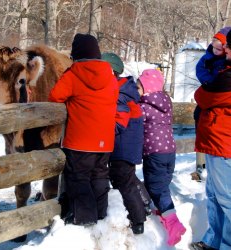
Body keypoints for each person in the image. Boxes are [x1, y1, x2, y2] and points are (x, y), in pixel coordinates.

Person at [191, 25, 231, 250]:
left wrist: (206, 89)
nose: (224, 49)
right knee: (216, 194)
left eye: (229, 46)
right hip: (219, 138)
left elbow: (202, 97)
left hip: (225, 140)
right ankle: (214, 241)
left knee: (227, 197)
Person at [48, 33, 118, 225]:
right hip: (105, 141)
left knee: (79, 178)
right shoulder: (110, 75)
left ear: (76, 53)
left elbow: (55, 96)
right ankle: (101, 216)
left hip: (80, 140)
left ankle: (86, 220)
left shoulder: (74, 73)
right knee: (99, 176)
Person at [101, 52, 151, 235]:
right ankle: (144, 205)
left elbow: (120, 122)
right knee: (127, 179)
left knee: (124, 182)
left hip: (123, 147)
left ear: (111, 72)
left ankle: (138, 220)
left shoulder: (120, 93)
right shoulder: (125, 89)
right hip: (127, 145)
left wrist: (103, 132)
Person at [138, 69, 186, 246]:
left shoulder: (143, 107)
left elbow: (133, 118)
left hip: (154, 153)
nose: (137, 90)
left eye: (139, 86)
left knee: (157, 187)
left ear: (147, 88)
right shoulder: (166, 103)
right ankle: (161, 210)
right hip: (169, 151)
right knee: (163, 184)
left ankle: (173, 223)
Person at [192, 27, 231, 181]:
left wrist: (216, 83)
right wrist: (207, 81)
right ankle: (201, 164)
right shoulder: (208, 56)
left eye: (219, 48)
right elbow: (199, 69)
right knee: (200, 119)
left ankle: (211, 164)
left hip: (218, 94)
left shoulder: (227, 60)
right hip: (208, 88)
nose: (215, 50)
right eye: (214, 47)